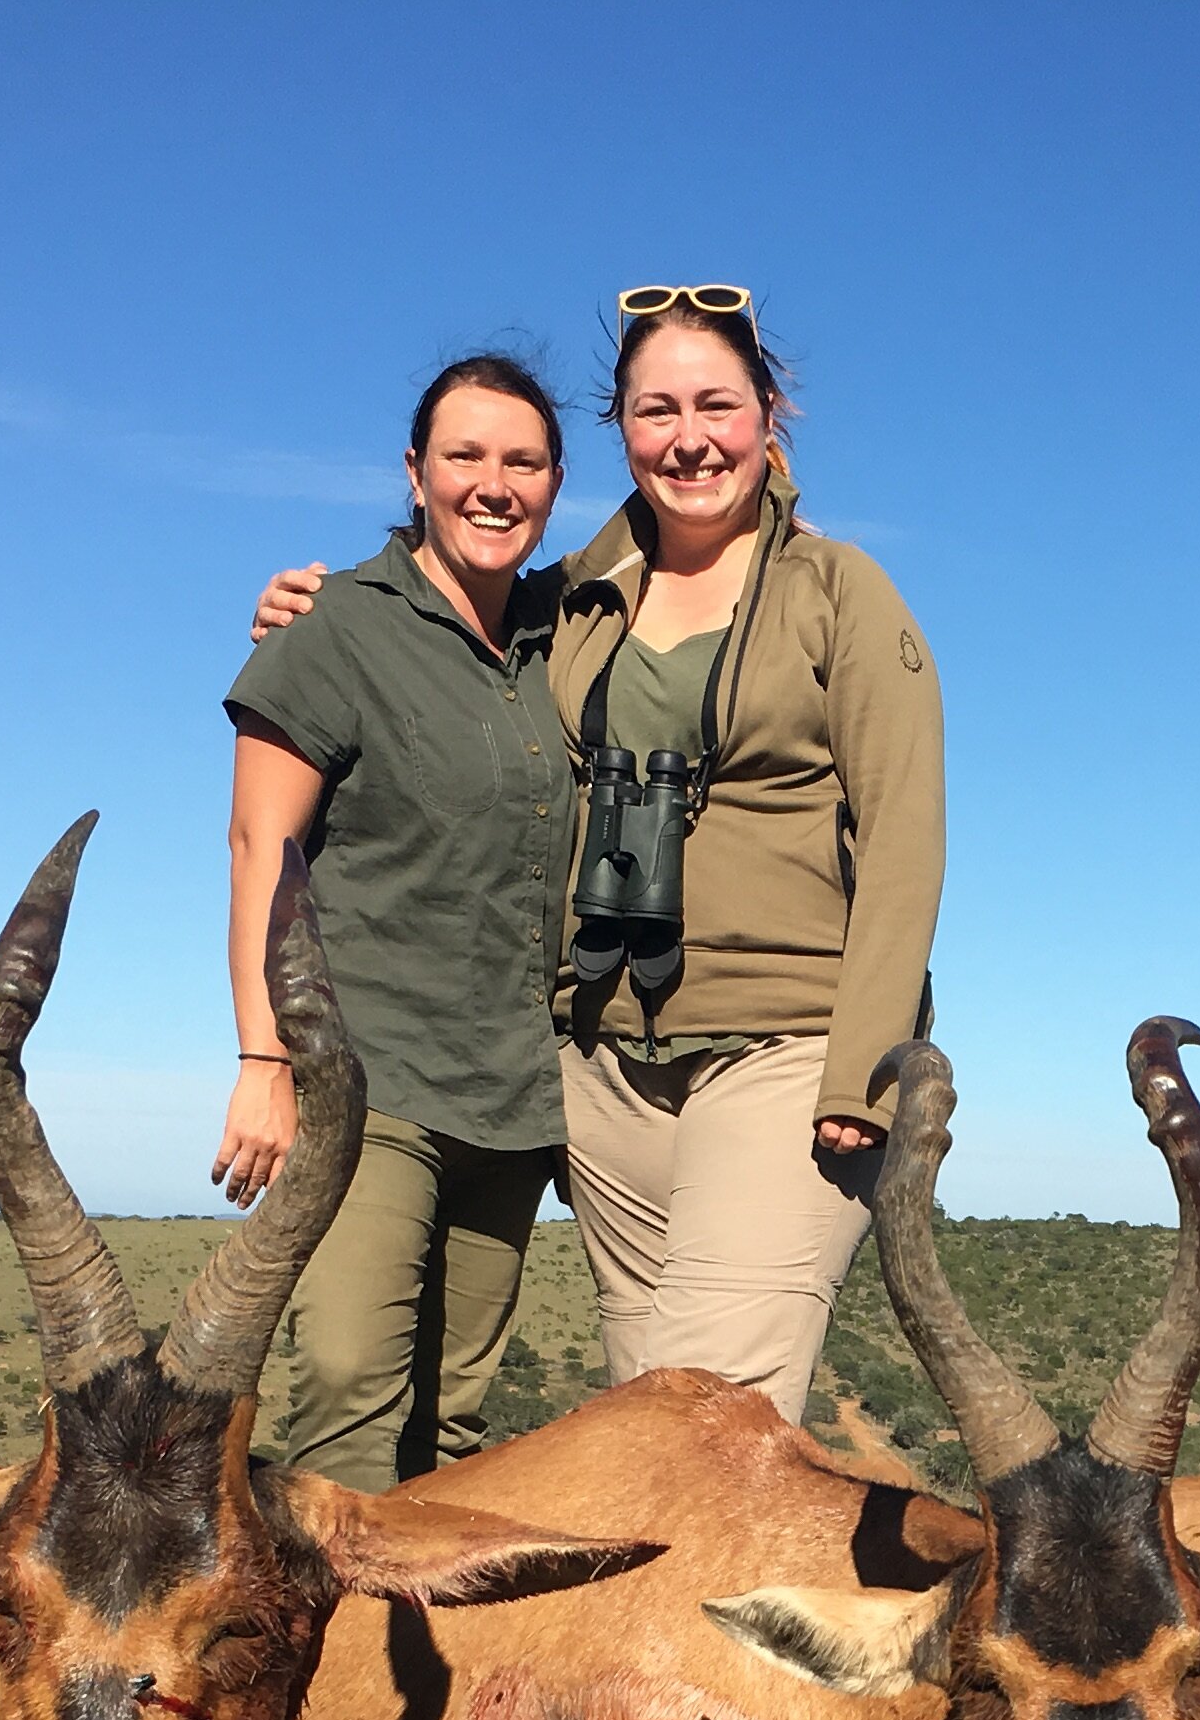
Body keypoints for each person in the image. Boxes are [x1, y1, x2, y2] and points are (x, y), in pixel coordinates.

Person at [254, 287, 943, 1427]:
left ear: (767, 417)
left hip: (784, 1048)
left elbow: (906, 832)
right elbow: (435, 614)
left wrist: (863, 1069)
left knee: (707, 1417)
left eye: (717, 405)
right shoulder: (574, 598)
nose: (689, 438)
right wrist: (324, 608)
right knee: (641, 1418)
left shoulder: (841, 592)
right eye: (655, 409)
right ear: (620, 430)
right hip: (606, 1069)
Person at [217, 351, 574, 1484]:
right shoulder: (337, 627)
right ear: (415, 473)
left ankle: (417, 1662)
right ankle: (329, 1668)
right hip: (368, 1090)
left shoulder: (561, 636)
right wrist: (262, 1056)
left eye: (523, 461)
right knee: (348, 1418)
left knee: (451, 1436)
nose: (493, 483)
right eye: (465, 455)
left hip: (516, 1108)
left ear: (557, 485)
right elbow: (257, 847)